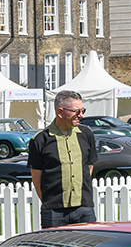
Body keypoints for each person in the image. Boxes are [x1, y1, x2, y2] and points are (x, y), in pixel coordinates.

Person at [28, 89, 98, 227]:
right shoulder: (40, 140)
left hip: (85, 208)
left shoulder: (86, 134)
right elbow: (36, 178)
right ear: (60, 112)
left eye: (82, 110)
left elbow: (90, 165)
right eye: (76, 111)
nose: (81, 115)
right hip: (54, 212)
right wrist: (50, 203)